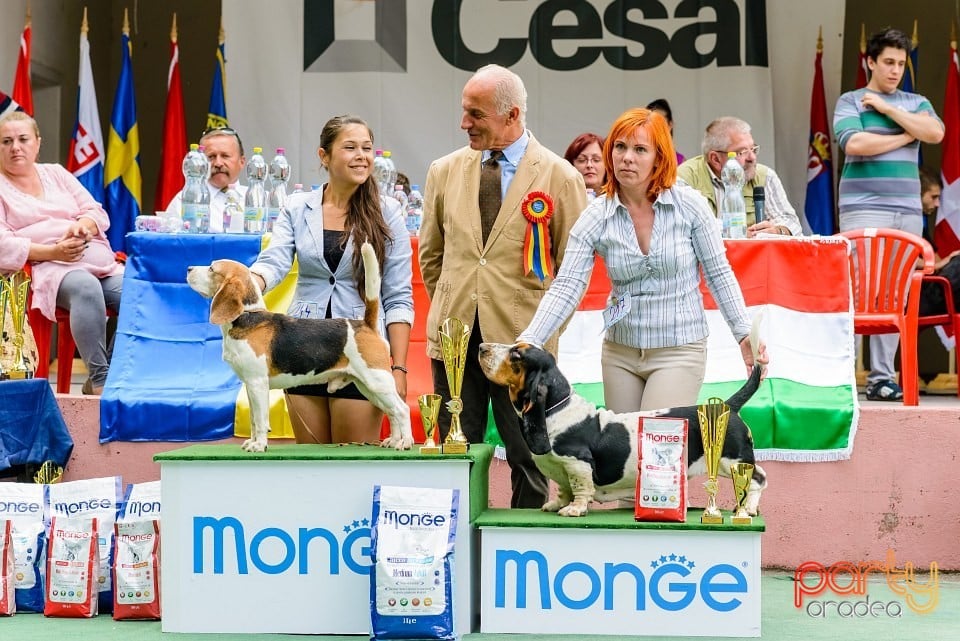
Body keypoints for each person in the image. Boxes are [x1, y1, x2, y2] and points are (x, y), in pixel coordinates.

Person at [517, 108, 766, 414]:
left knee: (656, 447)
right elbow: (567, 285)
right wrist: (528, 341)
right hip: (619, 353)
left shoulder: (690, 205)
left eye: (639, 149)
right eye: (619, 147)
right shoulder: (595, 215)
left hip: (679, 350)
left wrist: (744, 334)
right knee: (625, 457)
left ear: (659, 158)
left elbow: (719, 274)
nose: (626, 158)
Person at [420, 64, 587, 508]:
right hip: (455, 341)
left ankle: (524, 550)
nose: (464, 124)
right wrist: (456, 306)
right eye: (464, 112)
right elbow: (431, 257)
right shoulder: (444, 170)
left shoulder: (561, 177)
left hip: (523, 346)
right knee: (453, 449)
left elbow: (573, 272)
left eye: (475, 114)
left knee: (531, 457)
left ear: (511, 115)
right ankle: (452, 544)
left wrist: (543, 335)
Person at [248, 115, 413, 444]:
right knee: (311, 461)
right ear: (324, 156)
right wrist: (248, 282)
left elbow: (398, 296)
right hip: (300, 348)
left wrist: (399, 368)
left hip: (359, 349)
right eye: (350, 147)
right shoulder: (297, 207)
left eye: (367, 148)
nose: (361, 156)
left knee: (353, 464)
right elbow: (275, 260)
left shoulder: (389, 211)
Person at [834, 27, 944, 401]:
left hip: (907, 211)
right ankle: (845, 378)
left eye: (902, 63)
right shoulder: (850, 101)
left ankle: (882, 378)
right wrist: (903, 137)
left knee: (894, 296)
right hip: (862, 209)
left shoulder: (915, 101)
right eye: (889, 62)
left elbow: (934, 133)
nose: (896, 70)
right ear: (870, 62)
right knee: (858, 291)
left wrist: (887, 110)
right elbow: (856, 143)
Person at [0, 111, 123, 395]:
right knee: (85, 286)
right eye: (6, 141)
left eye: (22, 139)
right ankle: (102, 380)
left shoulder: (56, 172)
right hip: (47, 267)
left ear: (37, 142)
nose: (15, 147)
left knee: (137, 292)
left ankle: (115, 371)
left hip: (96, 260)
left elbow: (95, 211)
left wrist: (84, 226)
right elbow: (3, 245)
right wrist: (54, 251)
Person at [677, 116, 802, 237]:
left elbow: (791, 221)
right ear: (715, 159)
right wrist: (735, 230)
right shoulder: (685, 177)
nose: (752, 158)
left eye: (753, 149)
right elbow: (685, 224)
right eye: (742, 152)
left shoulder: (765, 176)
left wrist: (778, 230)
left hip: (752, 257)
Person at [164, 126, 248, 232]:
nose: (218, 163)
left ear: (242, 162)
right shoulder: (184, 200)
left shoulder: (259, 200)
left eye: (225, 156)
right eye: (211, 157)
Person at [646, 98, 685, 164]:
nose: (654, 127)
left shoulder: (680, 163)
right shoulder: (637, 157)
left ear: (670, 125)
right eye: (650, 121)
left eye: (659, 122)